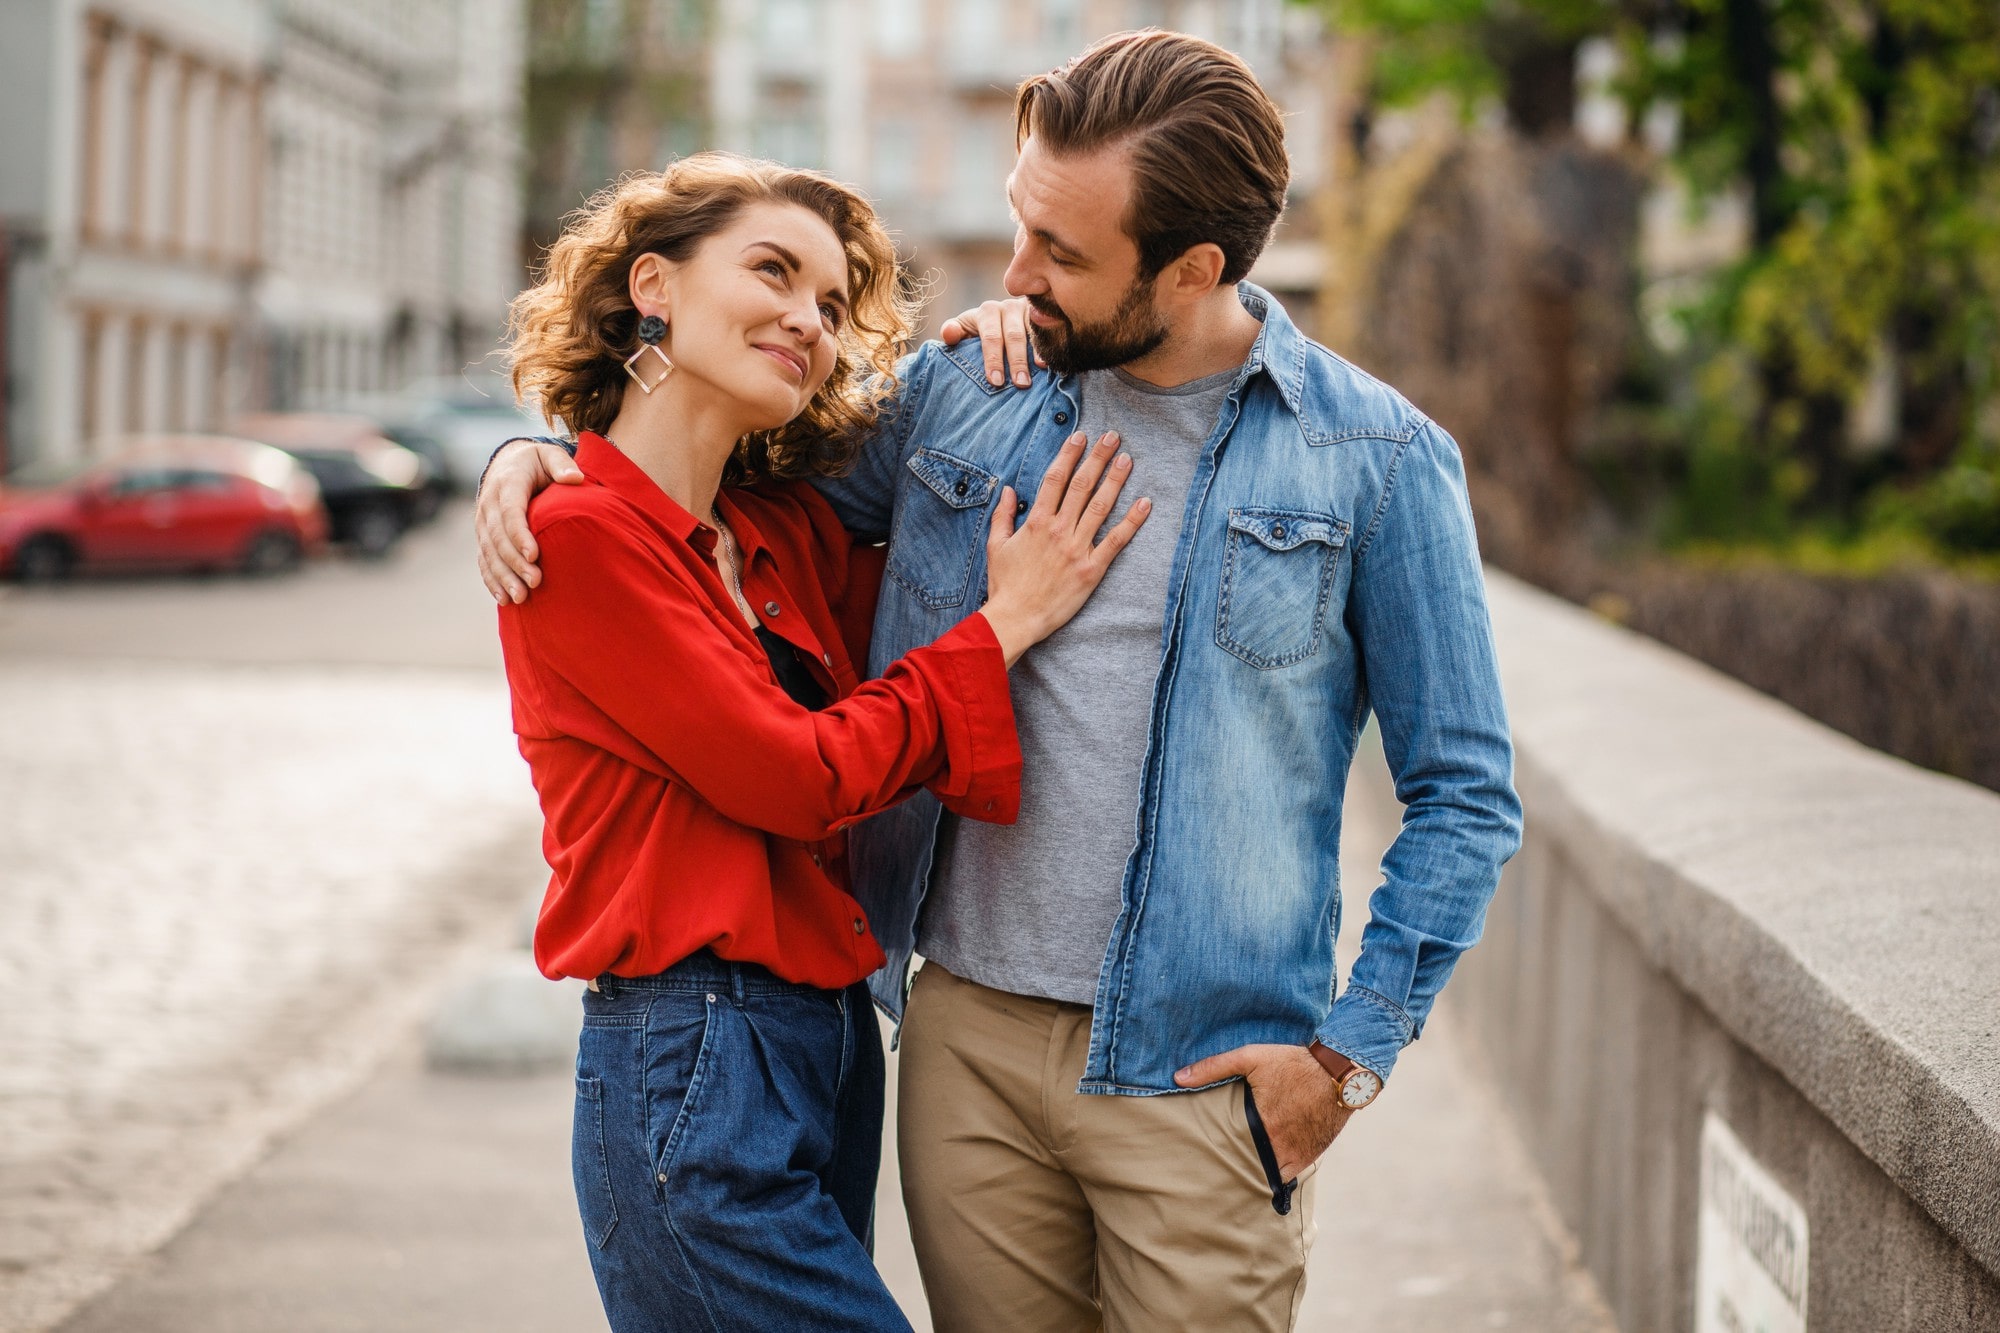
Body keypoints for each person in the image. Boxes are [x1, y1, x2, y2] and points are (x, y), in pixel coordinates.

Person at [481, 29, 1522, 1333]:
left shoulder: (1374, 458)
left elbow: (1466, 795)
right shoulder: (961, 397)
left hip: (1196, 1074)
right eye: (1025, 222)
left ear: (1191, 268)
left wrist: (1346, 1059)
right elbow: (717, 475)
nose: (1016, 273)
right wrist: (540, 456)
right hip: (960, 1049)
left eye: (1064, 254)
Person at [495, 152, 1148, 1333]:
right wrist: (1005, 622)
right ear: (655, 284)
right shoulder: (582, 537)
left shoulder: (778, 531)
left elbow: (915, 615)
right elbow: (798, 777)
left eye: (835, 304)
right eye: (771, 271)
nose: (807, 318)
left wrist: (1015, 326)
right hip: (687, 1049)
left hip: (828, 1041)